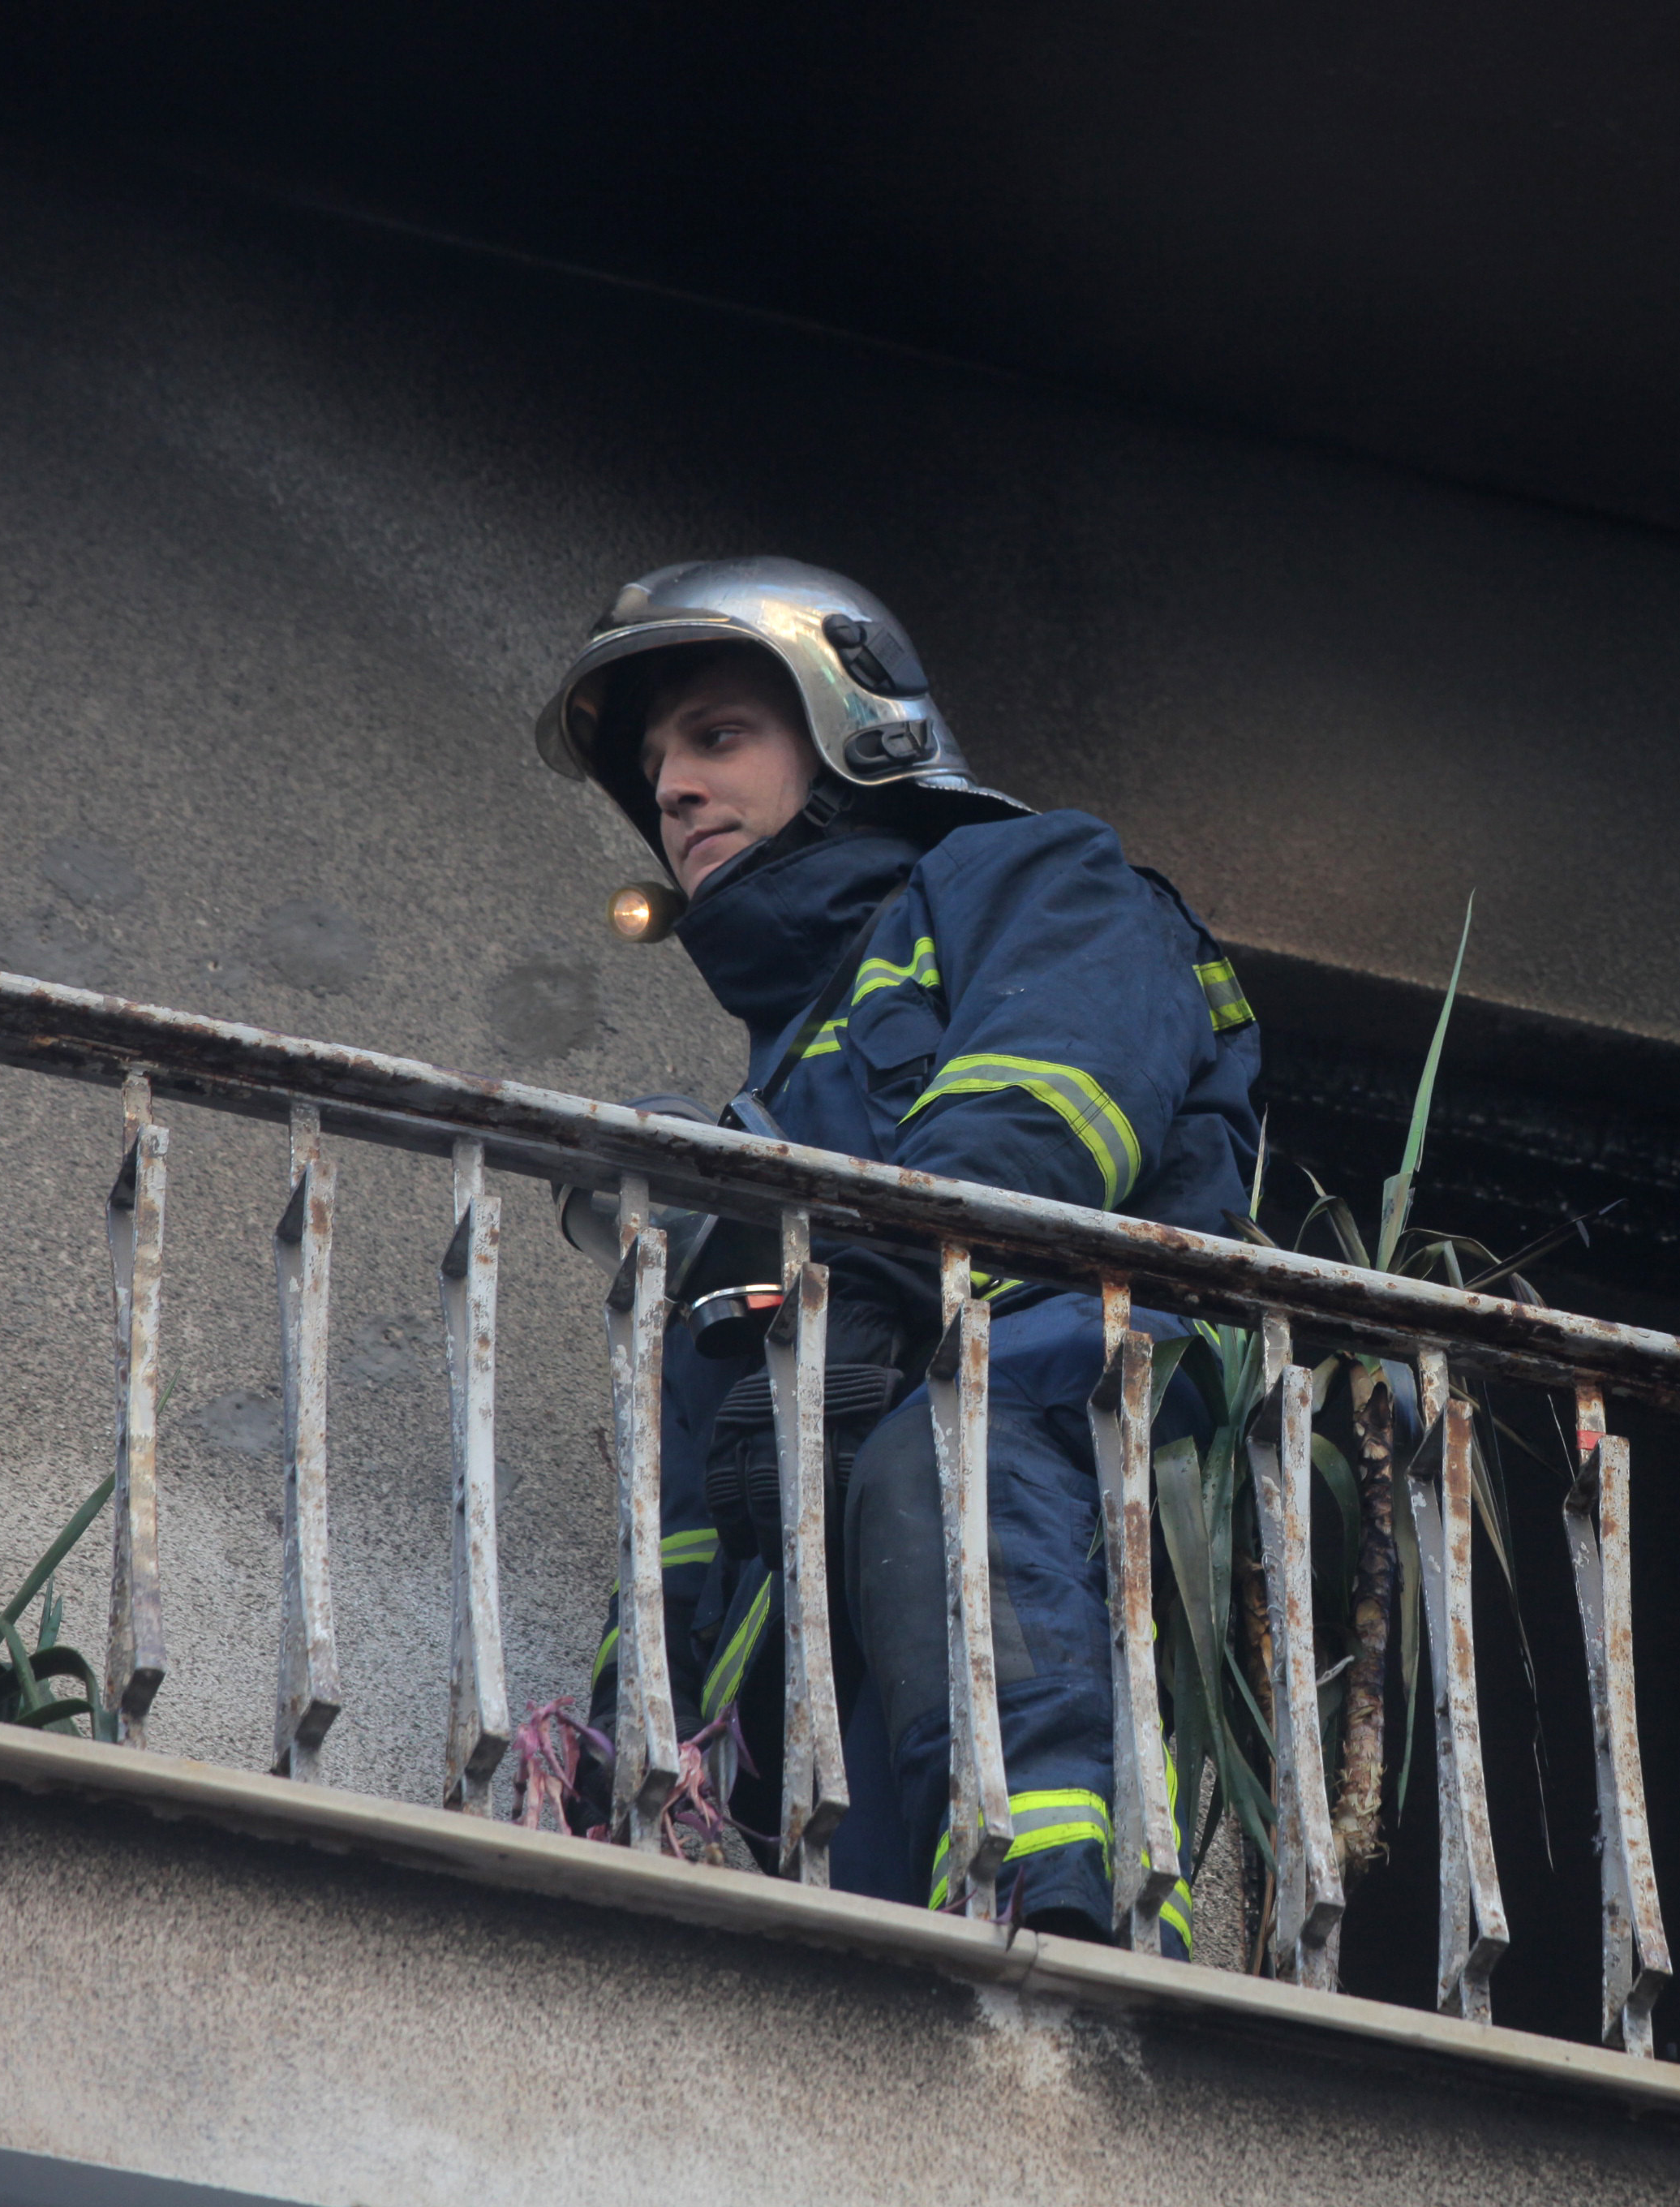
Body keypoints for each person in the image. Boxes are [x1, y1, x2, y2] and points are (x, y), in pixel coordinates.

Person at [533, 557, 1257, 1944]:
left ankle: (1061, 1902)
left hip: (1057, 1392)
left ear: (858, 725)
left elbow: (1045, 1121)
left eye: (718, 735)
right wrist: (628, 1756)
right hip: (859, 1605)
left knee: (943, 1448)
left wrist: (859, 1299)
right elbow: (696, 1496)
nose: (674, 787)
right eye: (656, 763)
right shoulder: (771, 1098)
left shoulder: (1035, 876)